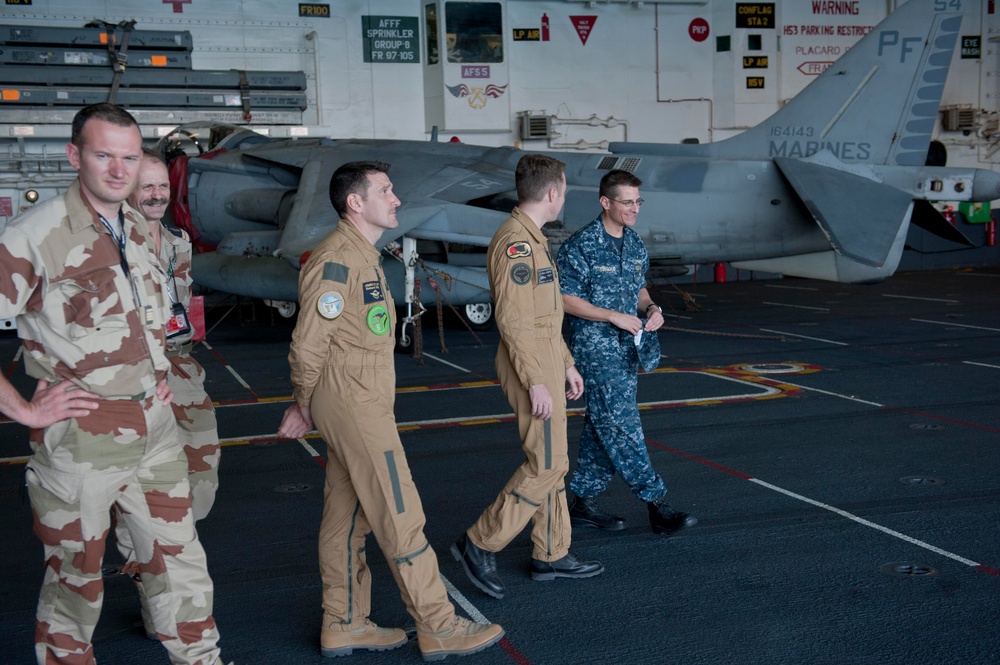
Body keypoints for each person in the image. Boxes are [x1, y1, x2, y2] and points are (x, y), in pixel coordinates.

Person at [0, 103, 229, 664]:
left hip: (156, 429)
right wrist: (25, 411)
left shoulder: (136, 227)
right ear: (75, 155)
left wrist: (157, 375)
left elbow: (146, 317)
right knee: (77, 581)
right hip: (84, 438)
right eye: (104, 155)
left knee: (181, 563)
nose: (119, 169)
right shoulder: (35, 236)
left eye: (129, 157)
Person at [276, 161, 504, 661]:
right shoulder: (337, 260)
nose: (397, 198)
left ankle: (344, 621)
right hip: (352, 401)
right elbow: (308, 342)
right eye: (385, 190)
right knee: (400, 509)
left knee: (348, 515)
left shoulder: (364, 255)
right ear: (356, 203)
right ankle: (438, 624)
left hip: (361, 396)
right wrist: (303, 403)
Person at [451, 154, 602, 601]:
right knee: (548, 463)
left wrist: (567, 363)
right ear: (553, 191)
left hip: (546, 358)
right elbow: (515, 321)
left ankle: (552, 552)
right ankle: (479, 542)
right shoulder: (516, 243)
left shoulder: (531, 240)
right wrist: (537, 377)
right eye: (565, 188)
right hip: (529, 364)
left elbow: (544, 317)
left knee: (554, 461)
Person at [114, 148, 222, 636]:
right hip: (132, 379)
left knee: (201, 477)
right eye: (146, 187)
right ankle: (157, 602)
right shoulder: (110, 246)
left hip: (180, 370)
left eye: (161, 187)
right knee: (135, 496)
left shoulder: (178, 242)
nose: (156, 195)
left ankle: (173, 561)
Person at [556, 169, 697, 536]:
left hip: (627, 349)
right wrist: (612, 316)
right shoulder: (580, 245)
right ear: (606, 202)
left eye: (638, 201)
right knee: (621, 425)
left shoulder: (634, 244)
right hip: (595, 350)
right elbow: (565, 299)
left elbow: (640, 290)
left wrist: (652, 310)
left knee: (602, 425)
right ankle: (656, 504)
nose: (635, 208)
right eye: (627, 202)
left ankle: (582, 502)